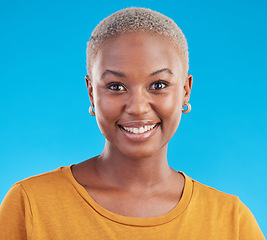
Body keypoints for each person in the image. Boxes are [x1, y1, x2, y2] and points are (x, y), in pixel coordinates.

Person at [0, 7, 265, 240]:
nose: (137, 107)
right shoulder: (30, 205)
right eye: (116, 86)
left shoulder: (231, 221)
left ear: (185, 91)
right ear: (92, 92)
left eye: (158, 85)